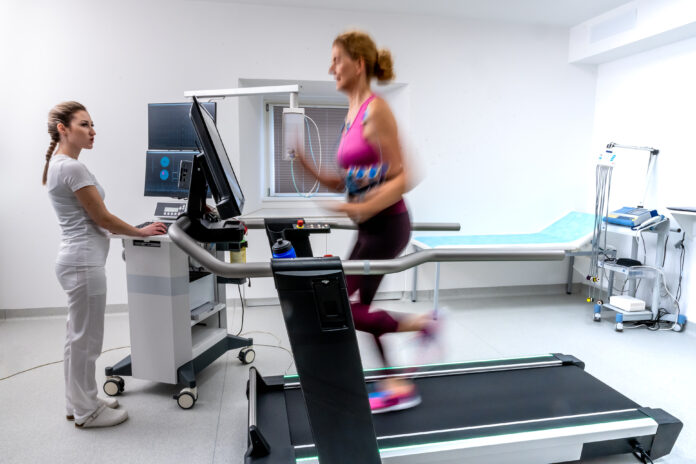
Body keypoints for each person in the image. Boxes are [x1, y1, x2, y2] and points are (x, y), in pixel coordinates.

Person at [294, 31, 438, 413]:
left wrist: (360, 207)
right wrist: (306, 165)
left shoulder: (377, 110)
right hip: (369, 227)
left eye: (337, 60)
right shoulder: (351, 115)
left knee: (343, 305)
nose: (331, 68)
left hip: (388, 226)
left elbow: (404, 176)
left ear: (358, 64)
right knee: (360, 307)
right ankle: (396, 384)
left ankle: (423, 323)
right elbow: (347, 180)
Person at [43, 101, 167, 428]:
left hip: (76, 261)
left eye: (92, 124)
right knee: (86, 342)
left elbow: (93, 219)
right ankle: (86, 412)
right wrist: (140, 232)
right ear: (63, 129)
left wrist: (127, 231)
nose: (92, 131)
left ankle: (78, 402)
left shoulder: (61, 165)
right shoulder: (71, 168)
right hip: (83, 264)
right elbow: (102, 218)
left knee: (76, 338)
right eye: (84, 124)